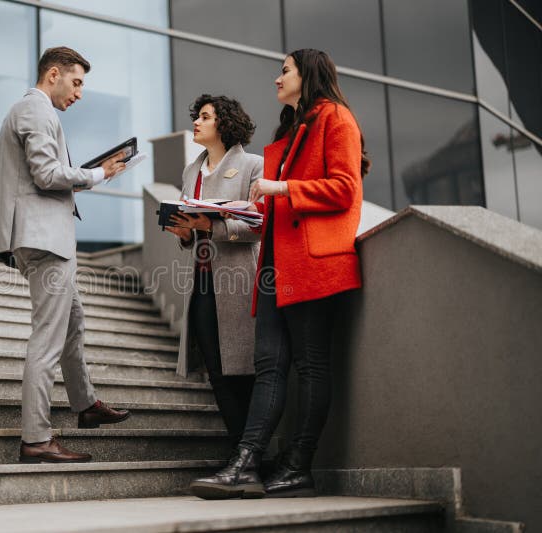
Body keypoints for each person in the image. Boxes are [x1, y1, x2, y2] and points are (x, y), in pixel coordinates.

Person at [190, 49, 370, 499]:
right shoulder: (290, 133)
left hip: (313, 263)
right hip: (275, 266)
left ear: (307, 74)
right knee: (269, 365)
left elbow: (346, 190)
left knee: (309, 364)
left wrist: (282, 187)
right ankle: (247, 463)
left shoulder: (337, 119)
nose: (276, 78)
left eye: (284, 70)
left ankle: (297, 466)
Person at [0, 46, 131, 464]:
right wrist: (100, 173)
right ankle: (36, 439)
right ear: (53, 74)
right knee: (47, 340)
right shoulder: (35, 110)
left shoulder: (38, 112)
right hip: (44, 240)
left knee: (73, 321)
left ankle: (84, 403)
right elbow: (47, 175)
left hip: (45, 238)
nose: (80, 93)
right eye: (77, 82)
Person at [166, 94, 262, 452]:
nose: (196, 122)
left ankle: (252, 454)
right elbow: (191, 224)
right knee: (218, 374)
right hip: (202, 282)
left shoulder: (253, 165)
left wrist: (214, 226)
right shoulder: (192, 171)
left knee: (246, 373)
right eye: (197, 116)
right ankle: (242, 453)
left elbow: (260, 224)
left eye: (204, 117)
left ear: (223, 123)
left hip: (241, 282)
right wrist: (185, 232)